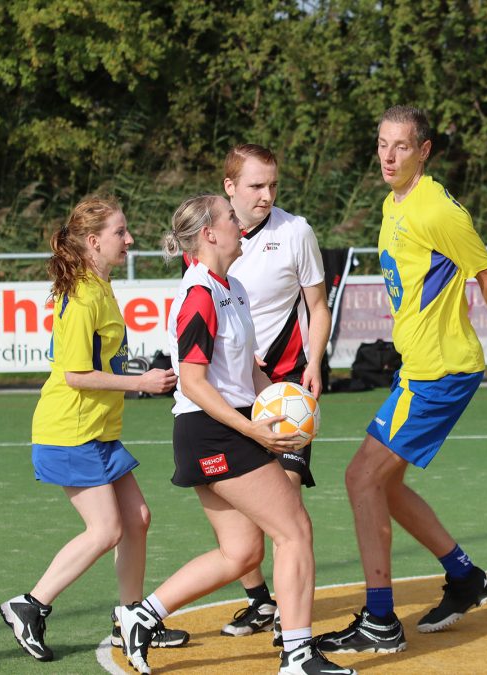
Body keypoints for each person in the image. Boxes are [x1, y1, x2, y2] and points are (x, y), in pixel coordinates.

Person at [315, 106, 487, 655]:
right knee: (384, 483)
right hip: (419, 369)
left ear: (424, 152)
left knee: (361, 480)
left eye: (401, 146)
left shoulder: (438, 209)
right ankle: (465, 577)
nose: (388, 156)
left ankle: (379, 620)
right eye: (381, 145)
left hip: (440, 372)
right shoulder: (393, 204)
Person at [116, 194, 355, 675]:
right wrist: (254, 430)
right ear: (209, 233)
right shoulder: (199, 295)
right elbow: (193, 381)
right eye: (229, 218)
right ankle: (298, 656)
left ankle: (141, 618)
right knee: (294, 531)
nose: (239, 224)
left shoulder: (233, 289)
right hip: (213, 432)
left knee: (241, 551)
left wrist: (288, 406)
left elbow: (247, 369)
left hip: (226, 428)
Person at [0, 196, 184, 662]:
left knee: (137, 520)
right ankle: (30, 605)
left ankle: (131, 620)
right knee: (105, 531)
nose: (130, 239)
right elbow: (76, 375)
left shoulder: (96, 286)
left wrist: (134, 373)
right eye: (121, 232)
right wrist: (139, 381)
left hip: (95, 430)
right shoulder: (82, 295)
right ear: (95, 241)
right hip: (70, 431)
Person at [218, 144, 331, 640]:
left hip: (284, 390)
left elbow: (318, 305)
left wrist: (316, 362)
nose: (266, 196)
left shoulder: (295, 231)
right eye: (255, 186)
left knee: (284, 505)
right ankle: (259, 600)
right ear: (230, 187)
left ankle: (293, 623)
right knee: (241, 510)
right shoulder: (209, 234)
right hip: (230, 391)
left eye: (272, 185)